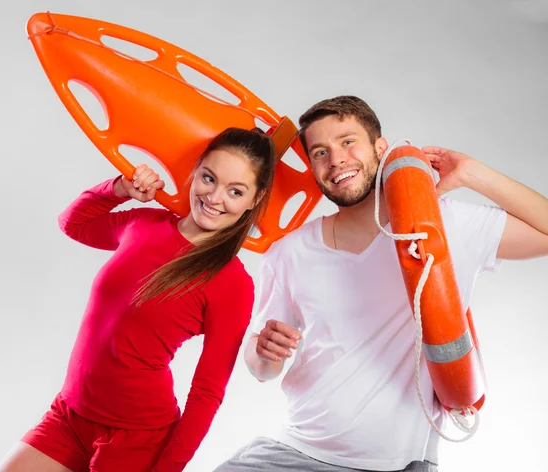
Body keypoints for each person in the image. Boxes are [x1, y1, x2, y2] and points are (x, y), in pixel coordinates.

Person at [214, 96, 548, 472]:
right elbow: (261, 369)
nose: (336, 159)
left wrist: (472, 173)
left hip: (399, 465)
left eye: (347, 141)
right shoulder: (289, 253)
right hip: (294, 454)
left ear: (380, 147)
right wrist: (264, 352)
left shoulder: (444, 226)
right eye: (320, 152)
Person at [0, 127, 276, 472]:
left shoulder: (232, 283)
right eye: (209, 178)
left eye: (235, 191)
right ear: (196, 169)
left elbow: (207, 392)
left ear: (256, 199)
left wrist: (167, 468)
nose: (215, 198)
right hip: (69, 415)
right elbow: (73, 224)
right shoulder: (144, 223)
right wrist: (119, 189)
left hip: (137, 439)